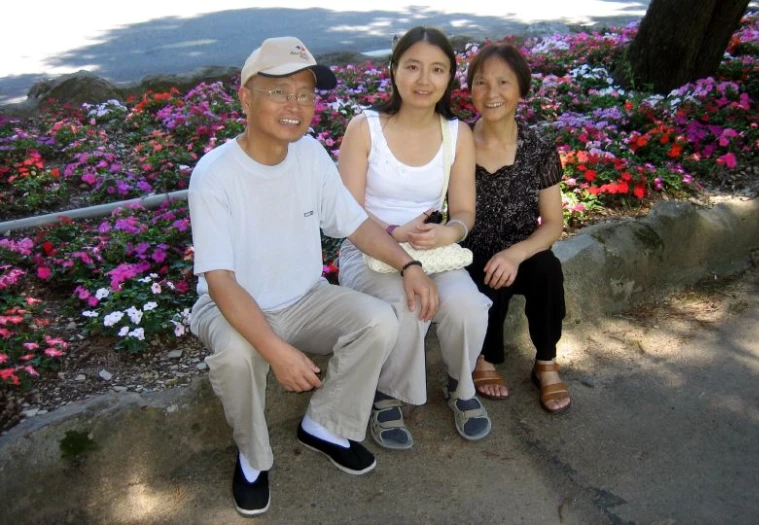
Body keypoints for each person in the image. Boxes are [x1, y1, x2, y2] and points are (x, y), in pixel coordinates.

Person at [187, 36, 439, 517]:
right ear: (246, 97)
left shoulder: (310, 155)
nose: (295, 106)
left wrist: (410, 266)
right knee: (239, 357)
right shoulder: (214, 174)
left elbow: (356, 223)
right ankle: (253, 458)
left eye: (305, 94)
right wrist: (277, 350)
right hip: (231, 305)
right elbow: (219, 280)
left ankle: (326, 425)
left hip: (305, 297)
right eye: (279, 92)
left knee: (380, 319)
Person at [337, 26, 493, 450]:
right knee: (406, 307)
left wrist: (450, 231)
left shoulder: (456, 134)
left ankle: (461, 387)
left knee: (467, 305)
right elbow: (346, 213)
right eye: (412, 67)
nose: (424, 80)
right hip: (368, 248)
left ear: (449, 77)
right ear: (393, 71)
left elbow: (464, 213)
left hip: (432, 251)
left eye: (437, 69)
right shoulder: (365, 128)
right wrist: (392, 231)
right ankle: (386, 396)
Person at [462, 43, 571, 414]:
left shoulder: (538, 148)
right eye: (481, 83)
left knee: (547, 270)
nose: (492, 94)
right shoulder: (456, 143)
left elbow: (553, 223)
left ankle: (545, 362)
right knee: (480, 271)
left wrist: (515, 253)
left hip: (520, 251)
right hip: (467, 252)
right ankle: (485, 358)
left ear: (521, 89)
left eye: (503, 82)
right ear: (470, 89)